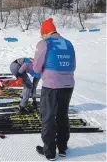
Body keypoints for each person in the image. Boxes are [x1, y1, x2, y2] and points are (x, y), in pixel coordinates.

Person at [33, 18, 76, 161]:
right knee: (62, 115)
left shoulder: (44, 43)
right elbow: (73, 65)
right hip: (68, 85)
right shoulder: (68, 43)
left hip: (51, 86)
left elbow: (36, 68)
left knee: (48, 117)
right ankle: (62, 148)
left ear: (45, 32)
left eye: (41, 34)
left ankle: (50, 152)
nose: (41, 36)